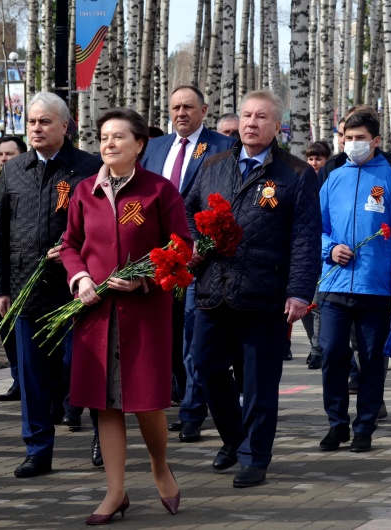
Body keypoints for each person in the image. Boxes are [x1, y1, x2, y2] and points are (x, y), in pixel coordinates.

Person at [185, 89, 321, 488]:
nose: (251, 123)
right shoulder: (213, 164)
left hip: (265, 291)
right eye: (246, 115)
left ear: (277, 126)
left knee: (259, 381)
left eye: (262, 117)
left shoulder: (295, 173)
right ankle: (233, 438)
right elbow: (187, 208)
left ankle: (254, 456)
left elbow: (305, 238)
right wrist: (197, 241)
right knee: (205, 365)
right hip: (214, 285)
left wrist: (299, 292)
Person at [61, 108, 190, 524]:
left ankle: (158, 465)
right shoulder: (84, 191)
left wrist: (145, 279)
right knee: (106, 403)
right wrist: (80, 278)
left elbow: (181, 246)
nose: (109, 144)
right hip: (96, 312)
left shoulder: (159, 191)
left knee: (147, 402)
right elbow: (69, 245)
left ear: (139, 145)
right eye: (103, 137)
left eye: (118, 137)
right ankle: (115, 491)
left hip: (145, 313)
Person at [0, 92, 102, 478]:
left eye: (44, 122)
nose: (36, 128)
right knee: (33, 376)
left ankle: (103, 435)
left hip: (77, 289)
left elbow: (103, 228)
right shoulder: (14, 169)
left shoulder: (88, 167)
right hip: (27, 288)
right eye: (32, 122)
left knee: (82, 367)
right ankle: (38, 449)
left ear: (65, 126)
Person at [317, 111, 391, 453]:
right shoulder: (332, 180)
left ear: (375, 141)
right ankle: (336, 424)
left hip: (376, 287)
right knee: (331, 353)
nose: (352, 144)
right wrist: (331, 250)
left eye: (360, 138)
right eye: (347, 137)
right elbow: (317, 229)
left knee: (372, 359)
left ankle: (364, 427)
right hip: (334, 285)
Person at [142, 85, 235, 443]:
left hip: (200, 257)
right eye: (175, 107)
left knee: (194, 337)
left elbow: (224, 202)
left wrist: (203, 243)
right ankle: (173, 397)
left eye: (188, 107)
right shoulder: (155, 147)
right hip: (157, 257)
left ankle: (193, 412)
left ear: (204, 110)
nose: (181, 113)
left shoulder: (222, 146)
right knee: (164, 336)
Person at [0, 135, 28, 403]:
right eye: (1, 154)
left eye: (10, 154)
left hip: (26, 269)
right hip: (0, 268)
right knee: (7, 329)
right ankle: (17, 379)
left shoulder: (27, 184)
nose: (4, 159)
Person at [302, 140, 333, 370]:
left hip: (324, 250)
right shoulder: (301, 181)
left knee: (318, 302)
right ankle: (317, 343)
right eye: (310, 159)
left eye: (319, 159)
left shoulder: (331, 181)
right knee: (304, 303)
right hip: (304, 251)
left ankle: (318, 348)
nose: (314, 163)